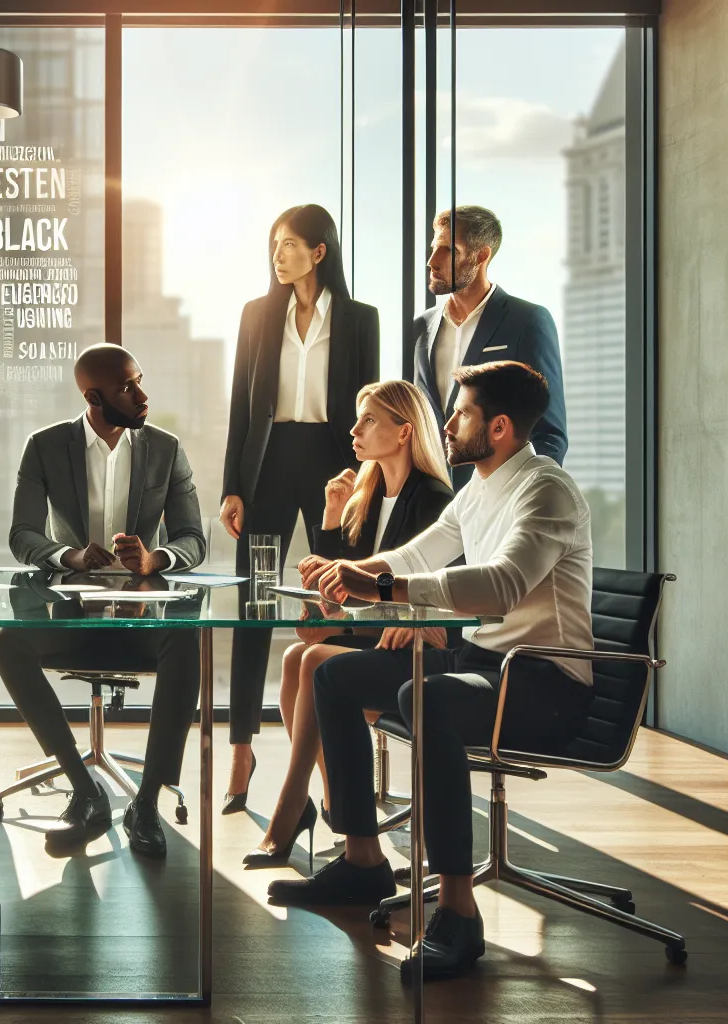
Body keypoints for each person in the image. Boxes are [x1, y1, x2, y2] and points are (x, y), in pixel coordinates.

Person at [270, 361, 595, 982]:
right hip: (484, 663)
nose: (446, 424)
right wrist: (353, 575)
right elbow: (420, 553)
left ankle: (457, 912)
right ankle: (363, 861)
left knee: (429, 698)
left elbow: (501, 586)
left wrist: (386, 584)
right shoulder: (480, 487)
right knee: (331, 677)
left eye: (462, 412)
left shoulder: (546, 491)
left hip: (541, 682)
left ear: (498, 427)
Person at [0, 344, 207, 858]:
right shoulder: (44, 446)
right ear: (92, 396)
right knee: (6, 646)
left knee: (186, 638)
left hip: (141, 616)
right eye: (127, 387)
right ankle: (83, 788)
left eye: (139, 381)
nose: (141, 395)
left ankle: (147, 802)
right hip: (71, 613)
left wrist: (155, 560)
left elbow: (195, 540)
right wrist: (67, 555)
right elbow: (22, 535)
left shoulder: (166, 448)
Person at [243, 380, 452, 866]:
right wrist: (331, 516)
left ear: (404, 433)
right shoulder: (369, 494)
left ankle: (293, 810)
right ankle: (339, 801)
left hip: (419, 644)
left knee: (313, 660)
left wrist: (345, 618)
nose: (354, 429)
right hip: (378, 637)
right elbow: (352, 589)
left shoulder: (434, 499)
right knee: (299, 655)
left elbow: (436, 588)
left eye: (369, 420)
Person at [219, 205, 380, 815]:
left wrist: (365, 484)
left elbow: (367, 407)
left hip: (334, 469)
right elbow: (242, 404)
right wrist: (234, 485)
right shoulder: (257, 316)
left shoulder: (362, 320)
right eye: (273, 244)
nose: (277, 254)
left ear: (319, 252)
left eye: (289, 244)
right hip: (268, 468)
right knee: (256, 604)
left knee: (334, 602)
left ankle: (334, 759)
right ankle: (240, 751)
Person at [412, 205, 568, 488]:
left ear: (482, 255)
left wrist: (516, 499)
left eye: (450, 250)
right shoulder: (422, 327)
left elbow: (550, 435)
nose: (432, 261)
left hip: (498, 502)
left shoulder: (528, 321)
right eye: (434, 248)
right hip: (433, 503)